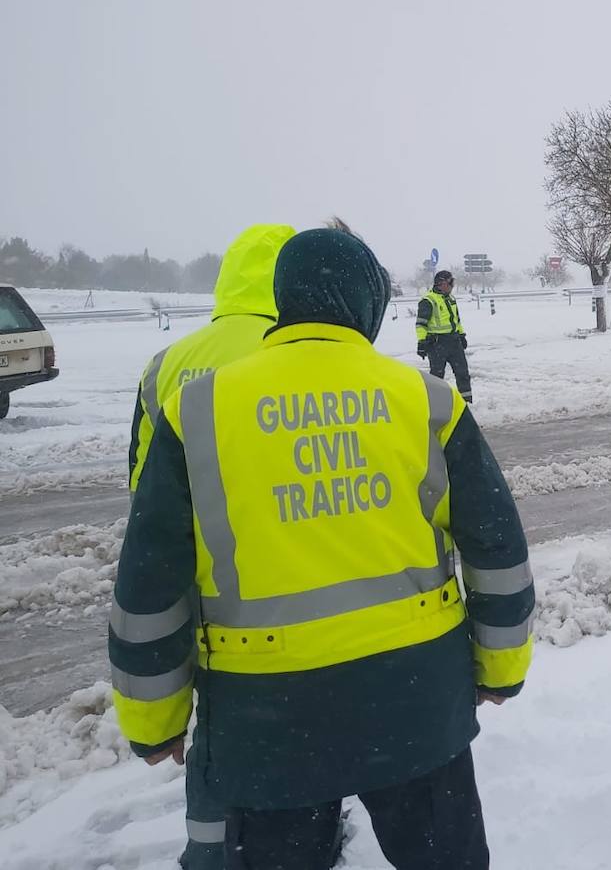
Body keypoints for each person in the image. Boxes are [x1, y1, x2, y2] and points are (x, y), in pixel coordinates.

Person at [109, 228, 535, 870]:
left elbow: (150, 583)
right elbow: (497, 549)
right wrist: (502, 670)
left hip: (267, 719)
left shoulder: (195, 410)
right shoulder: (426, 400)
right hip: (415, 701)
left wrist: (153, 720)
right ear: (366, 305)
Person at [124, 222, 295, 870]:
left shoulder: (165, 364)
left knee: (218, 743)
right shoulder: (299, 354)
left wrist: (152, 709)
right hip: (280, 595)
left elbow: (145, 507)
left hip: (203, 601)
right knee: (292, 742)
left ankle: (210, 849)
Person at [416, 270, 472, 402]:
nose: (452, 285)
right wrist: (422, 342)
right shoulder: (428, 300)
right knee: (437, 377)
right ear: (440, 284)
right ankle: (435, 405)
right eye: (450, 282)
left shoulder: (451, 299)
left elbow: (456, 320)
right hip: (436, 344)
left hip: (454, 341)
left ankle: (466, 402)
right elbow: (421, 324)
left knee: (462, 373)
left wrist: (461, 334)